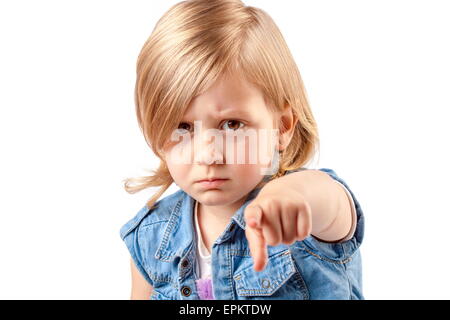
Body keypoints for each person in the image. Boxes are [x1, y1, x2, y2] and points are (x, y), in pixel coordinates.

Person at [119, 0, 364, 300]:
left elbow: (329, 202)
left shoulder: (309, 216)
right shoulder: (149, 238)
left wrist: (291, 195)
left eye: (232, 125)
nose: (209, 155)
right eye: (182, 128)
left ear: (282, 127)